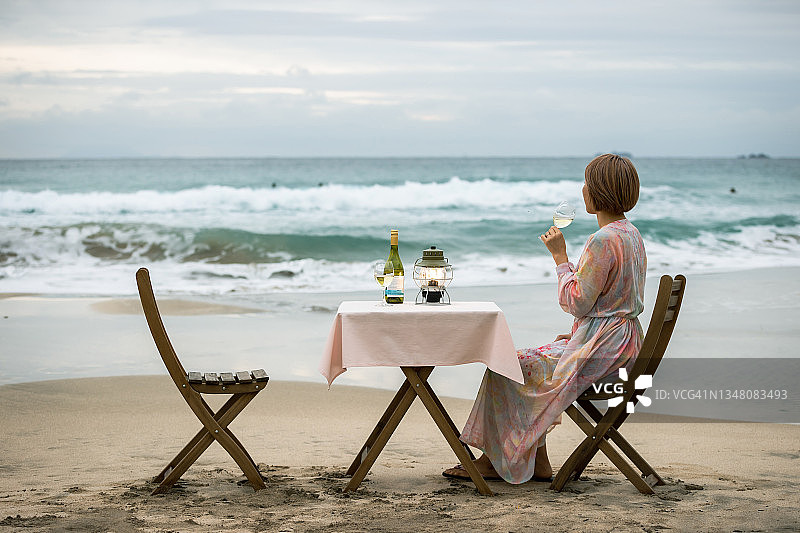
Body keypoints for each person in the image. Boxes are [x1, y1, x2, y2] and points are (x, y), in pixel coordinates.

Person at [443, 153, 647, 483]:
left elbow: (576, 302)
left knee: (508, 366)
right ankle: (535, 459)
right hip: (623, 347)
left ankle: (492, 460)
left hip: (601, 351)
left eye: (587, 183)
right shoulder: (631, 235)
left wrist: (560, 258)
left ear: (598, 192)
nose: (583, 190)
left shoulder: (603, 239)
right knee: (523, 362)